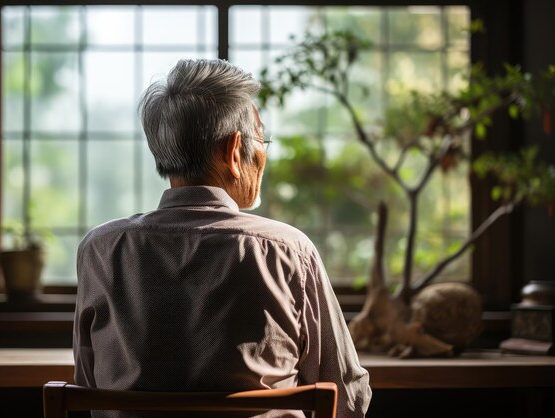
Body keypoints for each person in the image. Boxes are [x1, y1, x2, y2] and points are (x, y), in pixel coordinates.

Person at [73, 58, 371, 417]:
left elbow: (88, 389)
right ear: (234, 152)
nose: (263, 155)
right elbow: (347, 396)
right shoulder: (288, 252)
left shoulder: (102, 250)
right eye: (263, 140)